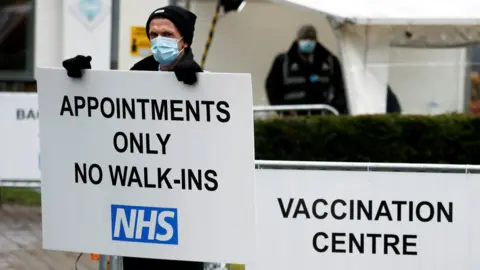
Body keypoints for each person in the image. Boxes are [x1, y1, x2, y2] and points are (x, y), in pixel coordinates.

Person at [61, 5, 204, 270]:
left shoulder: (202, 84)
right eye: (153, 34)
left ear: (185, 40)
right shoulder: (136, 77)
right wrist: (82, 83)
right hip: (138, 211)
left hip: (183, 216)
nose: (159, 40)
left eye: (168, 34)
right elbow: (109, 119)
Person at [265, 24, 348, 116]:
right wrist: (283, 109)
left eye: (311, 39)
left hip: (322, 115)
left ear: (316, 41)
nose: (308, 42)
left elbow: (340, 87)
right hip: (292, 116)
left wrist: (335, 108)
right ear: (298, 40)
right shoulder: (282, 61)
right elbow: (272, 87)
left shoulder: (330, 62)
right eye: (304, 39)